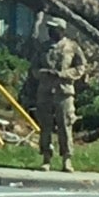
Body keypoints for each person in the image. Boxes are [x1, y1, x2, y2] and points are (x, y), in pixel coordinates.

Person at [34, 16, 87, 173]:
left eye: (54, 29)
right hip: (45, 91)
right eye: (49, 28)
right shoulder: (43, 48)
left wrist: (63, 74)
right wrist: (42, 73)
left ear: (62, 31)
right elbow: (34, 68)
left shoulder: (72, 47)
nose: (51, 31)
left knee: (65, 126)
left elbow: (80, 67)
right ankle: (46, 158)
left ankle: (67, 159)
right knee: (46, 126)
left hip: (64, 92)